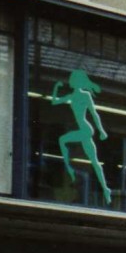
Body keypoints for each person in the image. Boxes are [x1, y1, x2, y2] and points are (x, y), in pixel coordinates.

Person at [52, 69, 112, 205]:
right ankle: (106, 189)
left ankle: (70, 171)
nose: (71, 81)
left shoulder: (85, 95)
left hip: (86, 129)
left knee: (62, 140)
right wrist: (56, 87)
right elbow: (54, 101)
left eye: (73, 79)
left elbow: (94, 114)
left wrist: (102, 131)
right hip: (83, 130)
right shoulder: (71, 96)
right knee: (94, 161)